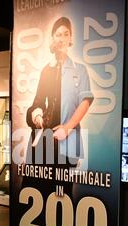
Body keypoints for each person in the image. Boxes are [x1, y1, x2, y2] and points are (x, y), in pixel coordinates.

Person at [24, 16, 94, 196]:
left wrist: (67, 128)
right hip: (45, 140)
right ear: (53, 39)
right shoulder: (47, 70)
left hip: (68, 139)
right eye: (58, 34)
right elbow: (38, 102)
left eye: (66, 34)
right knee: (37, 191)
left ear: (71, 39)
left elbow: (85, 102)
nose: (62, 38)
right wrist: (37, 116)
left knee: (62, 194)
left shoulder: (80, 69)